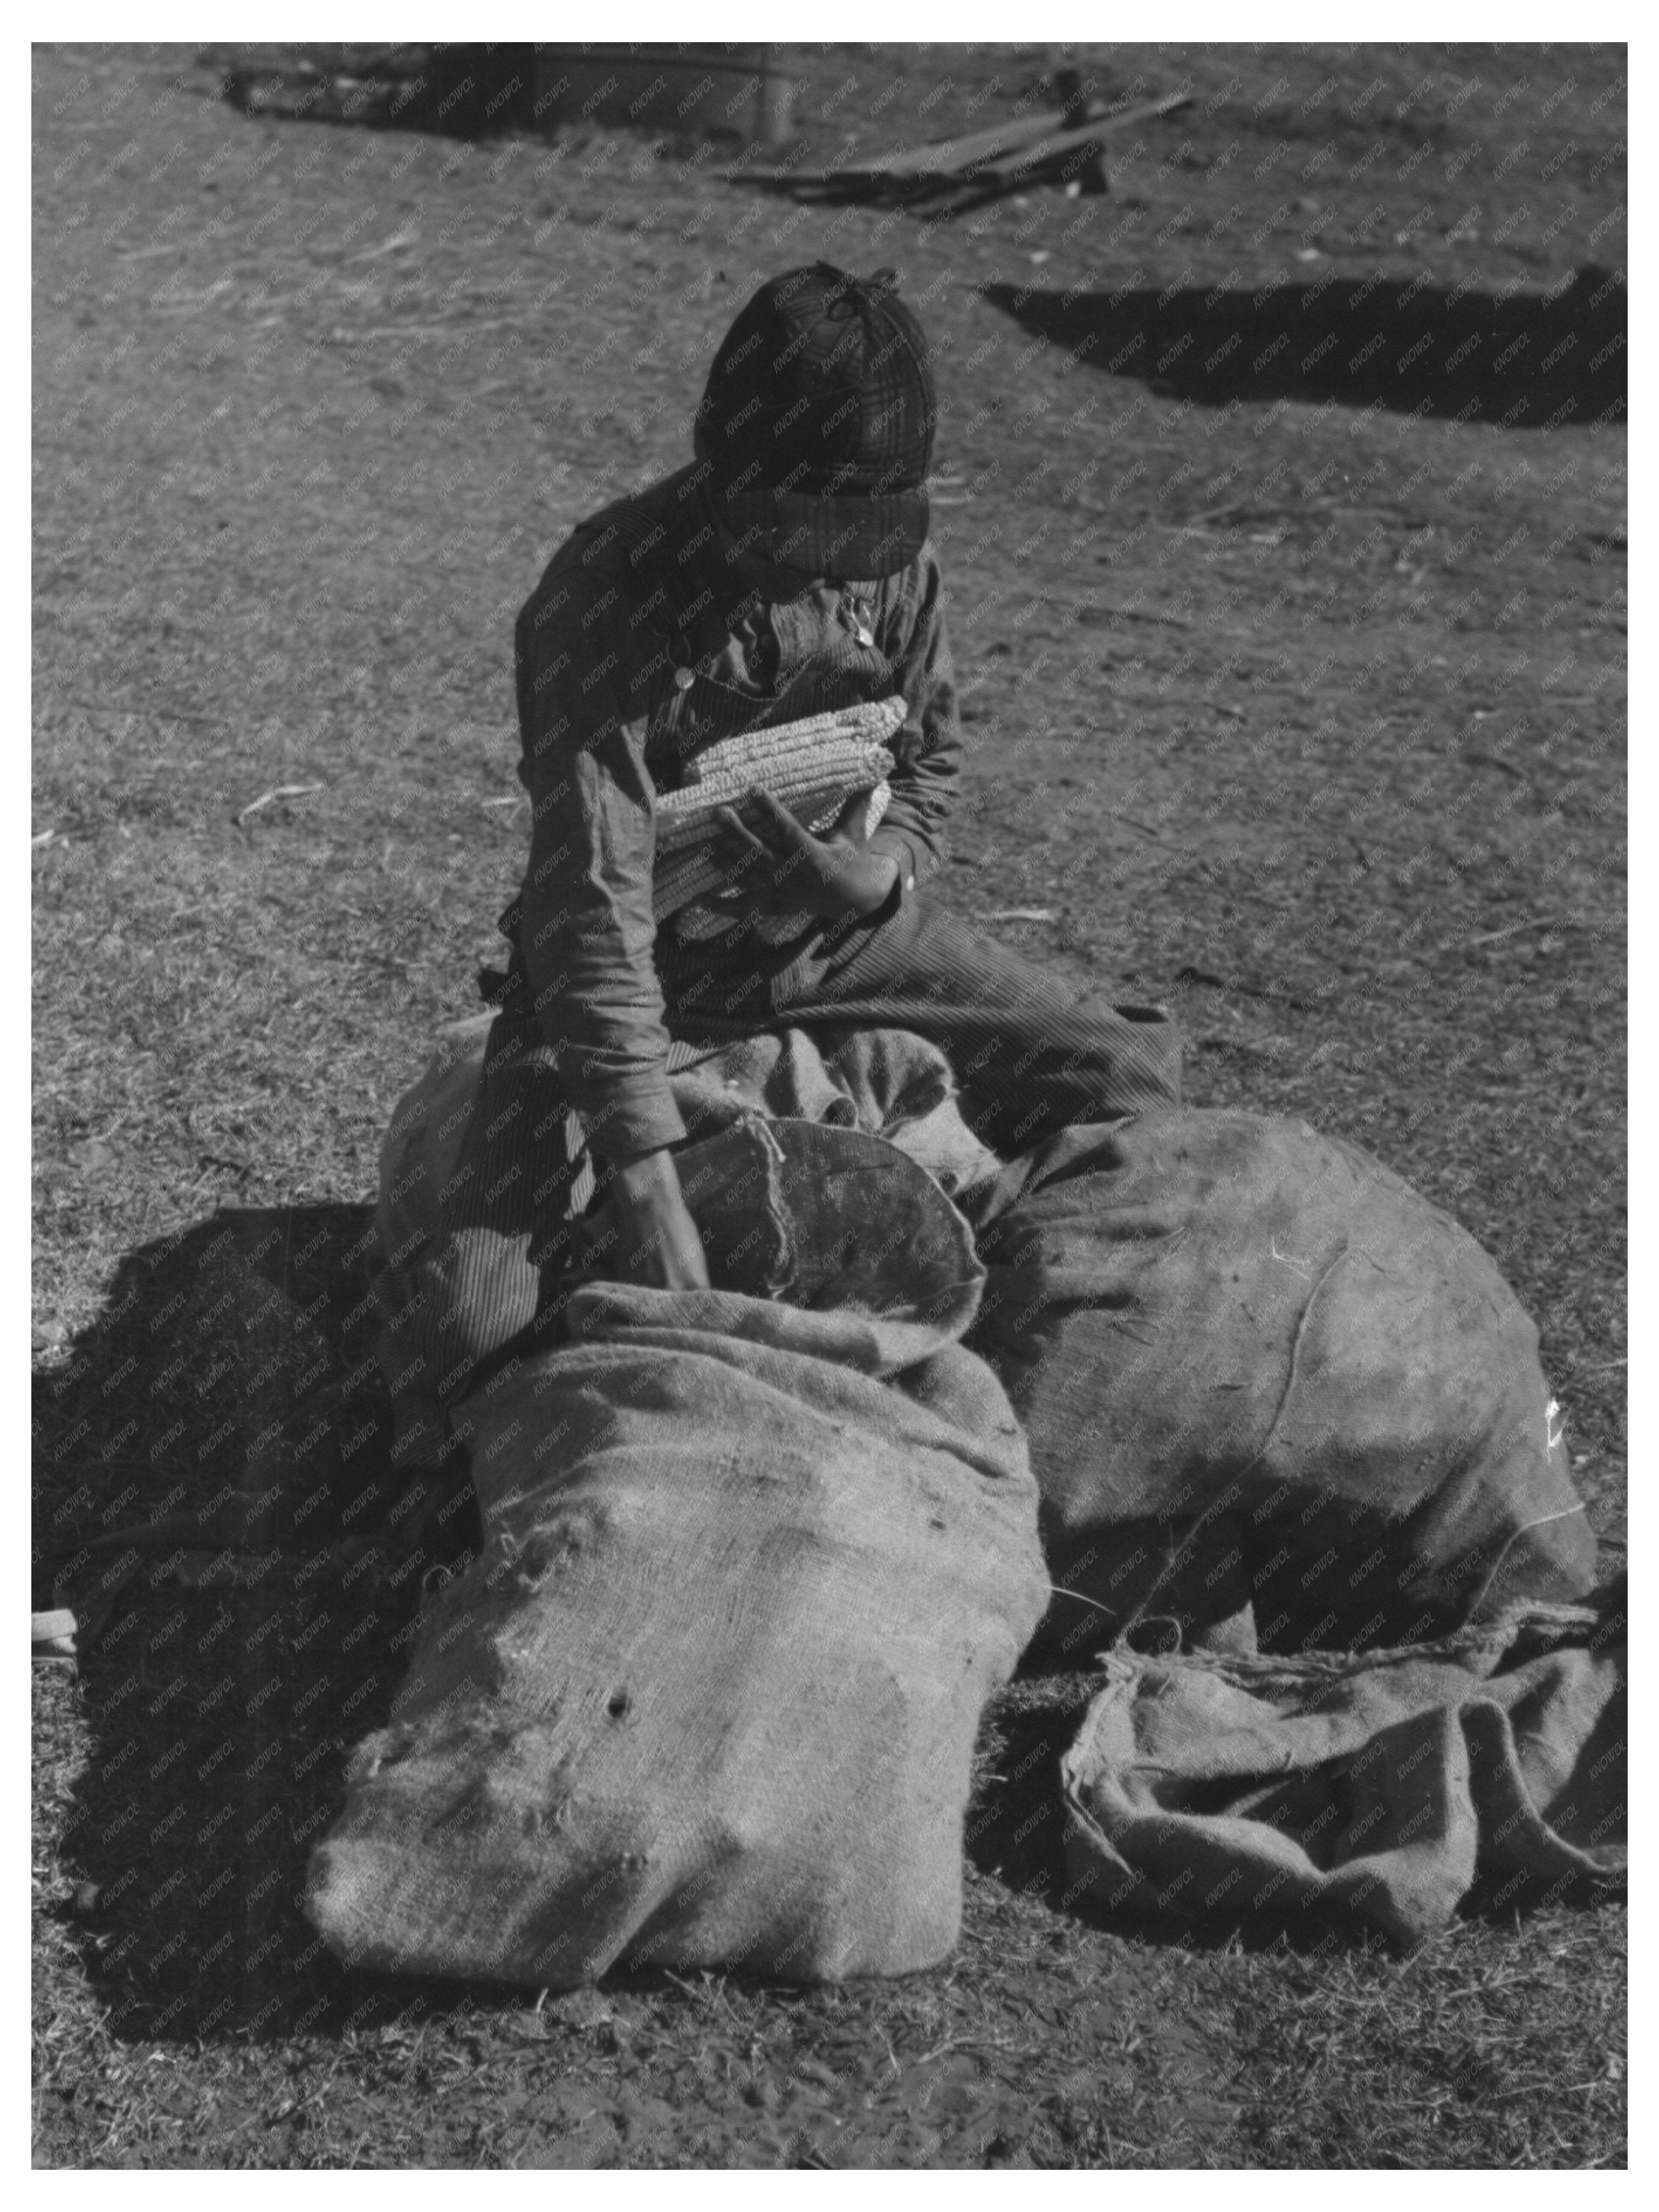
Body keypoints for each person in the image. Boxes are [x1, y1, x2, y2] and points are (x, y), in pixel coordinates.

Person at [371, 261, 1180, 1509]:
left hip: (833, 941)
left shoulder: (890, 570)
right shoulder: (605, 588)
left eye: (846, 550)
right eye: (788, 542)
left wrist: (876, 870)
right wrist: (636, 1160)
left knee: (1120, 1069)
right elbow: (589, 903)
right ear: (724, 482)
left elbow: (931, 762)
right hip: (636, 974)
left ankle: (1031, 1347)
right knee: (473, 1335)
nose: (819, 578)